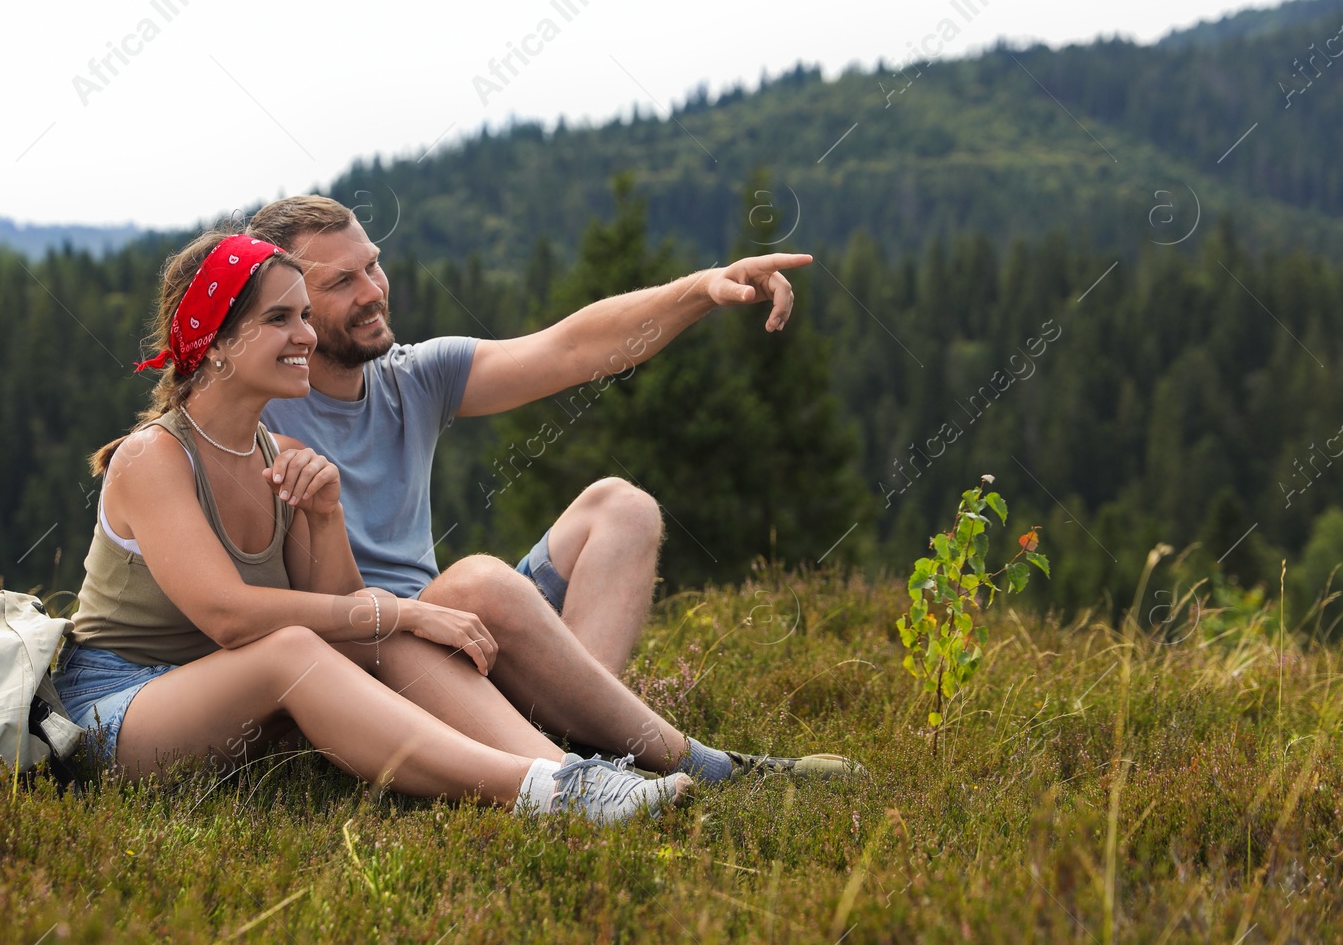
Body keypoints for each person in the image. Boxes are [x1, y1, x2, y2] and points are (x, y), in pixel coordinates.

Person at [57, 228, 694, 823]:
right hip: (118, 708)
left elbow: (351, 629)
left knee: (337, 641)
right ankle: (549, 791)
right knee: (300, 649)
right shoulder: (153, 459)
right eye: (279, 319)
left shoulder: (277, 454)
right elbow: (229, 617)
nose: (305, 335)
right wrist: (406, 613)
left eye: (304, 314)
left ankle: (574, 769)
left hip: (226, 700)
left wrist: (327, 516)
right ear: (216, 343)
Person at [252, 196, 863, 782]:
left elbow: (573, 347)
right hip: (377, 661)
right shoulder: (256, 417)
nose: (373, 291)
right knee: (479, 584)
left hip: (462, 640)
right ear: (287, 309)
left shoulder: (412, 377)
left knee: (622, 507)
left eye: (374, 264)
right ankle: (696, 764)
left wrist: (704, 287)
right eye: (341, 283)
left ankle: (587, 746)